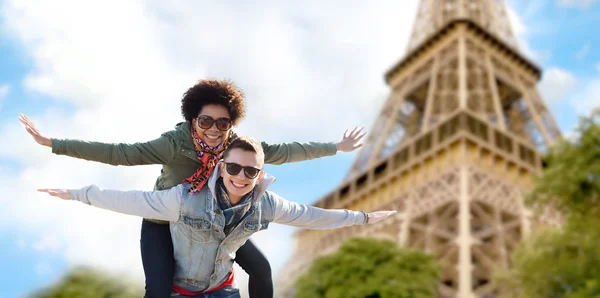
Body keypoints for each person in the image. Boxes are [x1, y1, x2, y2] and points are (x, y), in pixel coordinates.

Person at [19, 79, 366, 298]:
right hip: (166, 217)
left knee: (261, 270)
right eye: (205, 121)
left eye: (223, 122)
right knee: (158, 289)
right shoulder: (173, 143)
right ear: (192, 120)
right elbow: (119, 154)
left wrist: (336, 147)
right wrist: (53, 142)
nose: (214, 130)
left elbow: (285, 151)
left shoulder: (237, 147)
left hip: (215, 219)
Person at [39, 136, 396, 298]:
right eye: (235, 168)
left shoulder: (266, 204)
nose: (242, 176)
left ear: (260, 173)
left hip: (221, 292)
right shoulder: (184, 198)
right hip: (179, 292)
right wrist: (77, 194)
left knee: (262, 269)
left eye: (251, 172)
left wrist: (362, 217)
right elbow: (131, 199)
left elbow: (310, 216)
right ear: (221, 167)